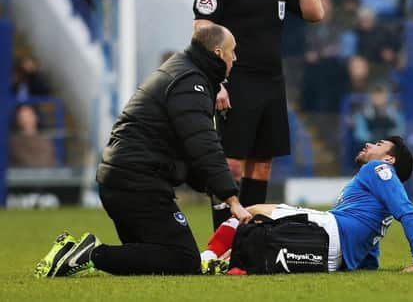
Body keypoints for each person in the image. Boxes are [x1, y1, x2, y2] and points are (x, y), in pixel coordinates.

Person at [34, 24, 252, 278]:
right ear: (217, 53)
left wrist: (210, 187)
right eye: (232, 51)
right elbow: (203, 143)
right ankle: (91, 253)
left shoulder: (183, 72)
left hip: (121, 181)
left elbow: (187, 148)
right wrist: (232, 199)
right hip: (137, 184)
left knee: (149, 259)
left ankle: (73, 253)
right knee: (183, 260)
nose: (235, 58)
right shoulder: (190, 82)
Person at [192, 0, 324, 229]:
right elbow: (201, 31)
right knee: (231, 165)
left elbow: (315, 13)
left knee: (262, 165)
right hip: (236, 83)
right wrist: (215, 82)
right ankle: (221, 238)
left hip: (271, 82)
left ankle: (248, 235)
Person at [201, 136, 413, 274]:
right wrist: (367, 263)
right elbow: (371, 232)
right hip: (335, 256)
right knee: (257, 234)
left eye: (379, 144)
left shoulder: (378, 169)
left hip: (331, 229)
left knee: (252, 210)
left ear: (389, 160)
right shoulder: (380, 187)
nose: (369, 144)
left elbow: (409, 214)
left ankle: (207, 257)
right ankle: (216, 262)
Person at [9, 103, 57, 167]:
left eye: (28, 116)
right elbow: (24, 161)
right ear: (17, 119)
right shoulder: (14, 142)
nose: (26, 120)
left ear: (36, 117)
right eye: (22, 117)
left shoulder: (46, 141)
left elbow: (51, 160)